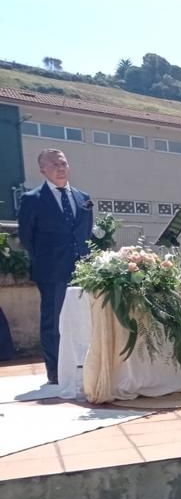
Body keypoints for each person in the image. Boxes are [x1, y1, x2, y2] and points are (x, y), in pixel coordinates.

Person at [17, 149, 93, 384]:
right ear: (42, 170)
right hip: (52, 272)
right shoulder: (32, 200)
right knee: (54, 322)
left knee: (84, 319)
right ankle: (57, 372)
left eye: (63, 163)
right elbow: (27, 238)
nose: (60, 167)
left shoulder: (83, 198)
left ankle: (87, 367)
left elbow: (86, 233)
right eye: (53, 164)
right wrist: (48, 260)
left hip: (83, 271)